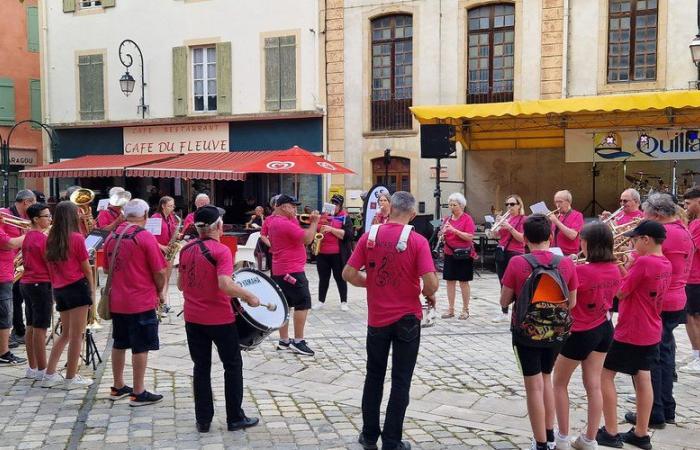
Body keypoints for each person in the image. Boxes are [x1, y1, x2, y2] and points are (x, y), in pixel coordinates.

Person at [343, 191, 438, 450]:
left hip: (377, 320)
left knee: (373, 376)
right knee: (401, 379)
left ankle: (369, 435)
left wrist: (369, 283)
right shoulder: (417, 241)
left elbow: (348, 273)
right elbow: (431, 283)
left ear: (389, 209)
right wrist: (428, 293)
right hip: (408, 317)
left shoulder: (369, 237)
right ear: (413, 214)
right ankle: (392, 440)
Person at [178, 205, 261, 433]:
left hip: (193, 318)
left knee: (201, 367)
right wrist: (249, 295)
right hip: (219, 319)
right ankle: (235, 417)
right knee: (232, 366)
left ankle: (203, 420)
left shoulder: (186, 249)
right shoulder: (221, 250)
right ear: (218, 226)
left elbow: (180, 284)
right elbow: (225, 285)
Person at [500, 214, 578, 450]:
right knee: (547, 379)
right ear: (551, 236)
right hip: (556, 332)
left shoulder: (517, 263)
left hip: (526, 332)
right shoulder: (565, 263)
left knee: (533, 386)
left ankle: (540, 443)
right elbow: (571, 303)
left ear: (524, 238)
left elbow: (504, 300)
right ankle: (550, 435)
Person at [597, 220, 672, 450]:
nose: (631, 243)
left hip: (632, 329)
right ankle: (641, 433)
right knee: (643, 377)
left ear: (646, 240)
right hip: (651, 328)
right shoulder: (665, 262)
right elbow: (636, 286)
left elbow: (622, 291)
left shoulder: (645, 262)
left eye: (635, 239)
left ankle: (610, 431)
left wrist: (618, 265)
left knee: (605, 375)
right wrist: (626, 266)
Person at [626, 193, 693, 429]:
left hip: (660, 301)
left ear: (656, 214)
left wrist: (632, 252)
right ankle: (666, 407)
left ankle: (653, 412)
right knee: (665, 354)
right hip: (676, 298)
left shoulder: (667, 234)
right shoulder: (682, 230)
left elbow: (642, 262)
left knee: (650, 359)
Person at [552, 223, 621, 450]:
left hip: (580, 331)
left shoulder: (579, 270)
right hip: (603, 328)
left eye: (582, 239)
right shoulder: (614, 268)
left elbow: (561, 296)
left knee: (559, 383)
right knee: (594, 385)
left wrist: (567, 266)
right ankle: (589, 439)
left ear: (588, 243)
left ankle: (562, 437)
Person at [103, 199, 167, 406]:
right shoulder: (144, 237)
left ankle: (118, 385)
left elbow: (106, 269)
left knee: (119, 342)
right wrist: (161, 291)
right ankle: (138, 391)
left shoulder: (112, 236)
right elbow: (158, 271)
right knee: (141, 346)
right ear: (146, 215)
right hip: (140, 298)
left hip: (117, 298)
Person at [41, 201, 95, 389]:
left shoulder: (50, 238)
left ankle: (49, 373)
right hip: (76, 287)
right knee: (76, 336)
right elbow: (86, 269)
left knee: (64, 334)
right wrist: (92, 291)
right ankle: (71, 377)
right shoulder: (77, 238)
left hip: (60, 289)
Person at [267, 194, 319, 356]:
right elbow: (307, 239)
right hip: (292, 270)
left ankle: (284, 341)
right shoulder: (283, 224)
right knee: (303, 302)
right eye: (292, 206)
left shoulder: (276, 221)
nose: (295, 209)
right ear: (283, 207)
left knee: (285, 304)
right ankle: (298, 341)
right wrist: (315, 223)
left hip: (280, 269)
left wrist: (297, 219)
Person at [18, 204, 53, 380]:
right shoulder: (42, 239)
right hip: (40, 283)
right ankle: (43, 369)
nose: (49, 219)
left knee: (31, 326)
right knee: (41, 327)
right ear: (36, 219)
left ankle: (32, 368)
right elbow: (50, 263)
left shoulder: (28, 237)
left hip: (27, 283)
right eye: (46, 216)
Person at [2, 189, 36, 349]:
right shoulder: (5, 215)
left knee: (17, 299)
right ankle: (15, 333)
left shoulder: (24, 217)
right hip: (8, 265)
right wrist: (30, 235)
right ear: (26, 202)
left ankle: (18, 331)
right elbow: (8, 243)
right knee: (10, 302)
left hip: (17, 264)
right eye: (33, 203)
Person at [486, 194, 526, 323]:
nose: (509, 207)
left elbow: (523, 239)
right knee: (503, 282)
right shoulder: (506, 218)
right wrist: (496, 226)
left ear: (519, 205)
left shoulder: (523, 219)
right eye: (507, 204)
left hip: (516, 253)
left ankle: (519, 311)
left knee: (517, 284)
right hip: (502, 252)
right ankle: (504, 312)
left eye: (512, 204)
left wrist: (509, 227)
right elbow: (495, 235)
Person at [312, 194, 354, 311]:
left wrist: (331, 229)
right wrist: (316, 220)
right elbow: (316, 228)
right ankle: (321, 301)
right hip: (322, 252)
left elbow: (349, 235)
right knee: (323, 278)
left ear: (340, 206)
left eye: (337, 204)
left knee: (340, 278)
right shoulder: (324, 215)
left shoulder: (345, 217)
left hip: (337, 254)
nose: (334, 206)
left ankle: (344, 301)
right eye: (333, 203)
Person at [439, 193, 475, 320]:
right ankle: (451, 309)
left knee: (463, 282)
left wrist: (454, 231)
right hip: (450, 253)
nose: (452, 207)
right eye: (450, 204)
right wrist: (442, 235)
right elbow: (442, 234)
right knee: (450, 281)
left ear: (461, 206)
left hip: (464, 254)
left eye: (454, 205)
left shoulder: (467, 219)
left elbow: (470, 237)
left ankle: (465, 309)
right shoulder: (447, 219)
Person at [0, 217, 27, 365]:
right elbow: (10, 243)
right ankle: (3, 353)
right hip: (1, 276)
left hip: (5, 273)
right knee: (5, 316)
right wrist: (29, 234)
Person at [680, 186, 700, 374]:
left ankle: (697, 356)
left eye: (688, 203)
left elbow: (689, 246)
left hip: (694, 277)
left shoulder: (698, 224)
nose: (685, 207)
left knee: (692, 317)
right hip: (692, 275)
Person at [151, 196, 178, 308]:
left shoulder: (171, 217)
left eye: (173, 206)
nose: (172, 208)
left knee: (167, 277)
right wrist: (161, 246)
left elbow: (172, 231)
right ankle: (157, 302)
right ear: (163, 206)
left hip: (169, 250)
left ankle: (164, 302)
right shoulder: (155, 218)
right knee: (160, 278)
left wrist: (177, 235)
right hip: (159, 251)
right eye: (170, 206)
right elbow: (149, 237)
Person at [551, 190, 585, 256]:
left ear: (568, 202)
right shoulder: (556, 217)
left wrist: (556, 222)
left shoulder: (577, 215)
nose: (557, 205)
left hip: (569, 255)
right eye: (556, 202)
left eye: (560, 202)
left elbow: (573, 235)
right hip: (555, 253)